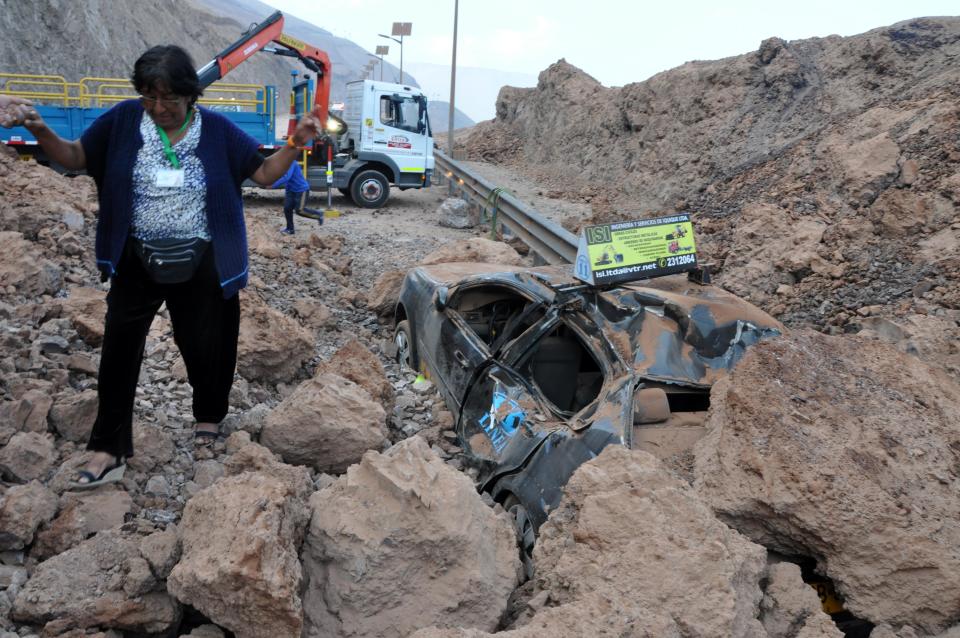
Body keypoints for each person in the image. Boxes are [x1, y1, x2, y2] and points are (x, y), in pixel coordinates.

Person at [0, 46, 320, 488]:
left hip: (204, 257)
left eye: (169, 98)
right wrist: (39, 129)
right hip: (136, 256)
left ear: (191, 94)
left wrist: (293, 143)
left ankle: (209, 415)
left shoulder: (218, 130)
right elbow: (74, 157)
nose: (159, 108)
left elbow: (264, 175)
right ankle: (108, 446)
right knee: (118, 348)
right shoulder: (124, 121)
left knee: (208, 343)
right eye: (150, 97)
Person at [271, 159, 310, 234]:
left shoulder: (291, 162)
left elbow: (286, 177)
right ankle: (290, 229)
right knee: (287, 208)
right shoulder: (282, 162)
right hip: (290, 190)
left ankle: (319, 215)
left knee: (299, 210)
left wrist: (273, 185)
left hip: (302, 190)